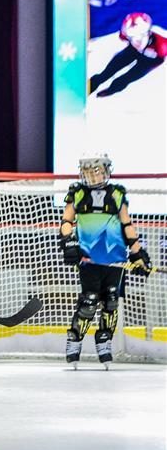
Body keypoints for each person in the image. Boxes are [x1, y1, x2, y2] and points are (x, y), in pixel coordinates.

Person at [59, 153, 151, 368]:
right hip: (89, 259)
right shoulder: (78, 193)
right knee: (89, 301)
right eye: (88, 171)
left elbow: (127, 225)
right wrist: (69, 241)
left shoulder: (117, 194)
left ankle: (104, 343)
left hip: (116, 259)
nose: (92, 176)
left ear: (107, 171)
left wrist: (137, 253)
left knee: (110, 302)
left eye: (96, 171)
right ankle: (74, 341)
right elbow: (66, 221)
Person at [89, 12, 167, 97]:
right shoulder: (124, 35)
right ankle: (86, 88)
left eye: (141, 35)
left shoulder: (162, 45)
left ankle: (111, 90)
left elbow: (160, 58)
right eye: (132, 37)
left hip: (152, 60)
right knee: (107, 72)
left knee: (127, 78)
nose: (137, 40)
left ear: (149, 33)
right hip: (133, 51)